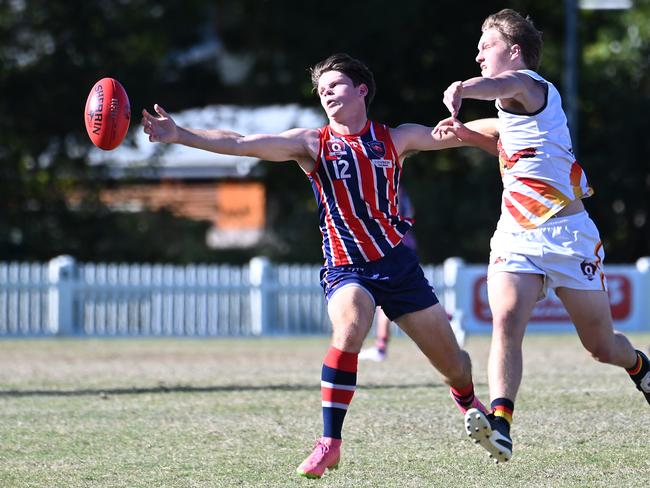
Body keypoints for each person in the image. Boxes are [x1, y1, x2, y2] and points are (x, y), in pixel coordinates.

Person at [142, 53, 497, 479]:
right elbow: (241, 142)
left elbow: (460, 135)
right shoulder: (313, 143)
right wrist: (180, 134)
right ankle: (329, 442)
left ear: (361, 90)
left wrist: (520, 123)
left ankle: (468, 401)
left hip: (399, 268)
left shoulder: (395, 138)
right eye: (321, 90)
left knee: (454, 365)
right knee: (350, 326)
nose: (325, 94)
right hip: (345, 267)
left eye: (334, 86)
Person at [434, 9, 650, 464]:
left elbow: (498, 86)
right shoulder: (512, 112)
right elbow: (508, 147)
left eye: (485, 45)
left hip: (568, 236)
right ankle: (501, 424)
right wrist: (455, 137)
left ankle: (641, 367)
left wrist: (463, 89)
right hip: (516, 234)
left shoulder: (530, 85)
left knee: (601, 346)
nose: (477, 56)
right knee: (506, 322)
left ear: (513, 52)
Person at [359, 186, 417, 362]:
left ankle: (381, 347)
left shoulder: (391, 185)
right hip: (402, 241)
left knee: (386, 297)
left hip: (393, 243)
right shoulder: (398, 187)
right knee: (409, 296)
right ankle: (451, 318)